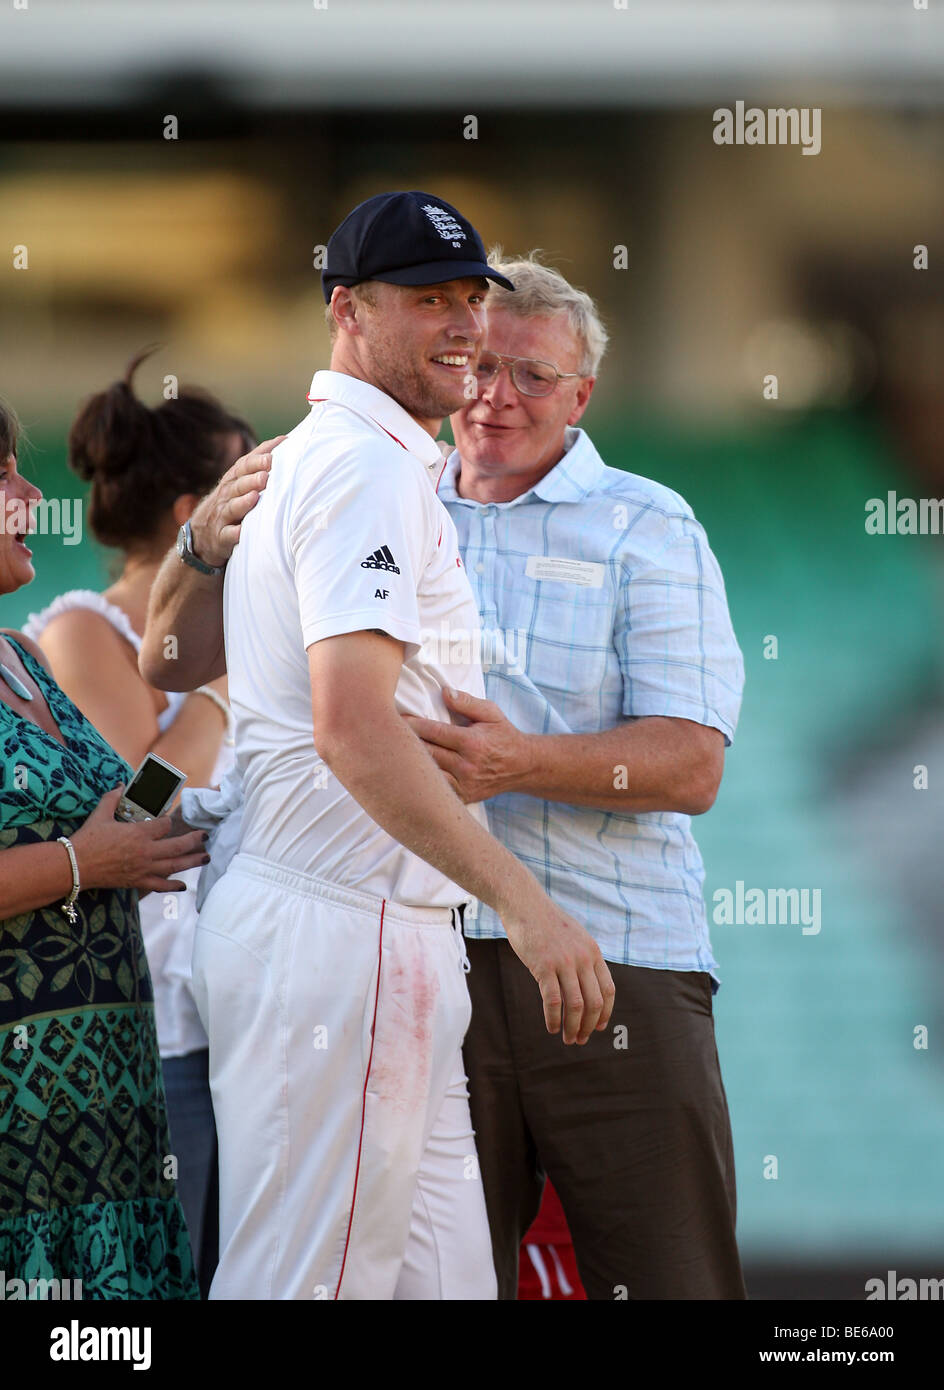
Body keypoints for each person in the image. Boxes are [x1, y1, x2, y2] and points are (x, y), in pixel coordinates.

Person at [140, 248, 747, 1301]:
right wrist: (196, 543)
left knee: (666, 1280)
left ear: (582, 394)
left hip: (612, 956)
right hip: (430, 949)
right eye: (483, 361)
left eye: (534, 376)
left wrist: (520, 762)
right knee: (423, 1273)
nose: (497, 393)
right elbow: (183, 674)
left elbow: (692, 764)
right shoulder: (375, 479)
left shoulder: (648, 524)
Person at [22, 352, 251, 1296]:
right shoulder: (84, 630)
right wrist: (231, 690)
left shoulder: (256, 619)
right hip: (148, 1020)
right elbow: (137, 806)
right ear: (187, 512)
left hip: (238, 1008)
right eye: (243, 489)